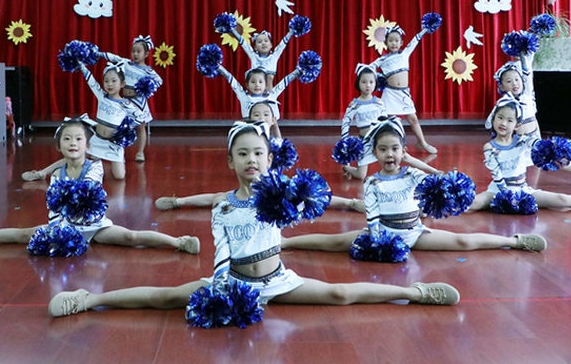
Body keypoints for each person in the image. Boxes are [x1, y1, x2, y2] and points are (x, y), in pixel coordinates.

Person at [48, 120, 459, 319]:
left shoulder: (280, 193)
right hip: (234, 281)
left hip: (278, 281)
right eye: (242, 154)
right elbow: (222, 253)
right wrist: (221, 288)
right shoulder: (223, 206)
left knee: (339, 294)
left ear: (269, 159)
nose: (251, 159)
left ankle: (417, 292)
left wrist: (332, 200)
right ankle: (89, 299)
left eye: (258, 153)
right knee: (166, 298)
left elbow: (310, 201)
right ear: (230, 161)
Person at [283, 116, 548, 255]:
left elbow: (435, 183)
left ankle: (514, 241)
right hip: (384, 233)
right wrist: (378, 239)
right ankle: (285, 243)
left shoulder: (411, 174)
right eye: (383, 149)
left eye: (394, 149)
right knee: (334, 242)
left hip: (415, 232)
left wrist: (449, 181)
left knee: (462, 241)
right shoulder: (372, 181)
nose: (389, 154)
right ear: (375, 153)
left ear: (403, 151)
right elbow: (372, 216)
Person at [0, 116, 200, 253]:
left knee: (131, 237)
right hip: (65, 226)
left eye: (78, 139)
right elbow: (56, 209)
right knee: (23, 234)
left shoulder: (95, 167)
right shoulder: (57, 175)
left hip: (95, 226)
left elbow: (87, 194)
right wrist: (59, 230)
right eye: (67, 139)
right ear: (59, 146)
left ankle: (179, 242)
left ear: (87, 145)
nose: (73, 143)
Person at [154, 106, 365, 212]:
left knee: (308, 195)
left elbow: (282, 146)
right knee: (219, 198)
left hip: (275, 187)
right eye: (257, 114)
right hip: (250, 189)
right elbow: (214, 197)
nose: (261, 117)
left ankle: (351, 202)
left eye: (266, 114)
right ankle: (178, 201)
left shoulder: (274, 144)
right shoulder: (245, 138)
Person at [468, 96, 571, 214]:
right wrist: (506, 196)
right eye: (500, 118)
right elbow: (497, 175)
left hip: (523, 190)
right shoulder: (489, 147)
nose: (503, 123)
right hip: (498, 191)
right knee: (474, 203)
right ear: (493, 119)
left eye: (509, 120)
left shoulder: (522, 141)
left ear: (517, 125)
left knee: (563, 200)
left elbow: (536, 144)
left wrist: (551, 148)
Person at [494, 49, 571, 188]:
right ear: (501, 86)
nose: (515, 84)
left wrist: (525, 56)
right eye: (509, 81)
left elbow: (527, 73)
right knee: (518, 184)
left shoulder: (527, 96)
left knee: (557, 157)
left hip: (534, 141)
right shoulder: (504, 104)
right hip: (517, 147)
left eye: (517, 79)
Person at [24, 61, 143, 181]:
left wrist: (125, 131)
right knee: (73, 158)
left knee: (119, 176)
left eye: (113, 81)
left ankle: (102, 164)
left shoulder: (127, 105)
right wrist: (81, 66)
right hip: (97, 140)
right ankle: (42, 173)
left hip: (114, 144)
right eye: (106, 81)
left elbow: (140, 118)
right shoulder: (102, 96)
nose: (109, 84)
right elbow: (91, 81)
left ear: (122, 83)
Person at [371, 22, 437, 154]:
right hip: (389, 94)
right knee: (389, 121)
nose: (393, 43)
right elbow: (368, 69)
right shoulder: (382, 59)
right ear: (386, 43)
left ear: (401, 42)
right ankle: (390, 145)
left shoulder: (404, 54)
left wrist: (425, 29)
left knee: (413, 119)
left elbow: (415, 40)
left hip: (403, 94)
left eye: (396, 40)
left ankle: (422, 142)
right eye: (390, 41)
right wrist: (378, 78)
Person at [100, 35, 163, 163]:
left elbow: (159, 81)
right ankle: (118, 152)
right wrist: (98, 54)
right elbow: (114, 58)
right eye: (133, 51)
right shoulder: (126, 63)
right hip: (125, 101)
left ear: (146, 54)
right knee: (120, 126)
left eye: (138, 51)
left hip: (139, 103)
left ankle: (140, 152)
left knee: (140, 127)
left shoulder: (148, 71)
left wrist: (147, 88)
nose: (135, 54)